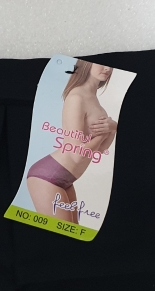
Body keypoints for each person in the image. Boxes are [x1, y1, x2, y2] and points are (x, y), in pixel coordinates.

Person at [26, 61, 118, 222]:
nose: (107, 68)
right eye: (102, 64)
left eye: (111, 66)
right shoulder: (77, 97)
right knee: (59, 232)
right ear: (86, 64)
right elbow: (77, 155)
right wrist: (106, 131)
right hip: (46, 177)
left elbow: (99, 150)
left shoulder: (93, 99)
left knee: (72, 230)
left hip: (66, 178)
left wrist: (113, 127)